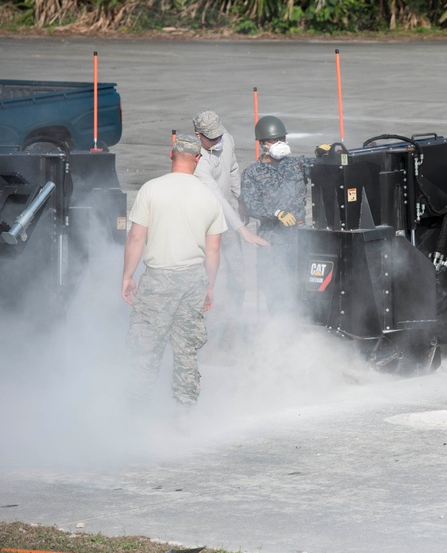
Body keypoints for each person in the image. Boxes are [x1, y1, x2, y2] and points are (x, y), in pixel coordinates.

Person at [122, 133, 227, 413]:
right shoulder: (209, 197)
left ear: (171, 155)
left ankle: (135, 412)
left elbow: (136, 238)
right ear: (197, 159)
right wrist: (210, 286)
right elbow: (213, 250)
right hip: (193, 279)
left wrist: (127, 276)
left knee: (146, 347)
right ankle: (184, 412)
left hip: (158, 280)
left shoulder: (151, 190)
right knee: (186, 349)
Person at [192, 110, 269, 345]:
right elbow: (216, 197)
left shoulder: (226, 138)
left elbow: (233, 169)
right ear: (199, 135)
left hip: (229, 220)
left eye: (219, 136)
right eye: (211, 138)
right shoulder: (198, 160)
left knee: (239, 274)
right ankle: (215, 336)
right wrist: (242, 229)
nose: (217, 141)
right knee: (218, 279)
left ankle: (234, 325)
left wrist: (242, 201)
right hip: (209, 226)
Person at [240, 115, 313, 314]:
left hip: (299, 239)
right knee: (276, 293)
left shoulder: (298, 165)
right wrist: (276, 213)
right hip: (272, 242)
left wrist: (329, 154)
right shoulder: (252, 173)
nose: (280, 143)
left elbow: (325, 169)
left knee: (304, 292)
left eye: (282, 138)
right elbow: (251, 204)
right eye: (274, 140)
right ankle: (279, 334)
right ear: (263, 143)